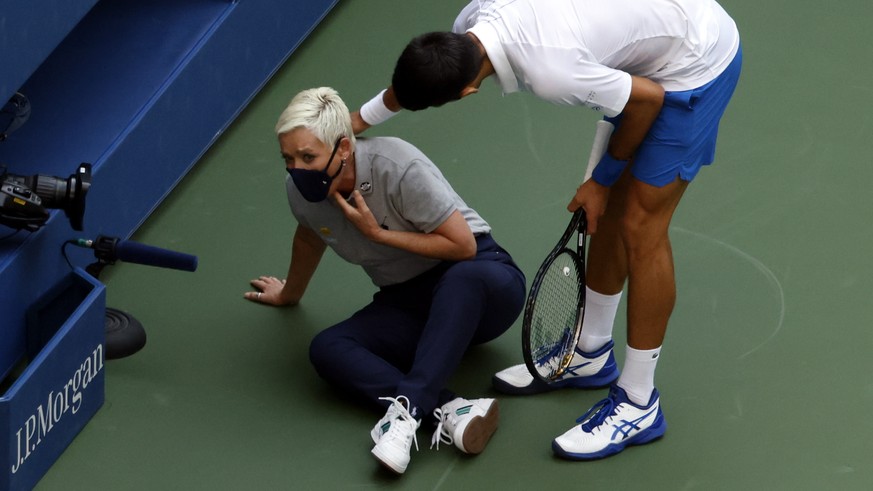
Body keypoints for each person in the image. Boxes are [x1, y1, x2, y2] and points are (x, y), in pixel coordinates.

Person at [350, 0, 742, 460]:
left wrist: (600, 181)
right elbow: (411, 85)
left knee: (641, 227)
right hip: (647, 40)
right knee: (613, 212)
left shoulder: (553, 72)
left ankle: (639, 402)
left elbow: (647, 101)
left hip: (694, 60)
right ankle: (591, 352)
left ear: (467, 93)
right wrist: (355, 122)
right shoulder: (469, 24)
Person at [244, 87, 526, 474]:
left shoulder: (397, 166)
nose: (297, 169)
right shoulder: (300, 191)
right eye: (288, 158)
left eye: (308, 156)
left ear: (343, 148)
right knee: (328, 348)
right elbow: (310, 236)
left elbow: (462, 247)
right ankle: (451, 408)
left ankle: (407, 414)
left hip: (483, 283)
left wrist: (379, 235)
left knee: (463, 280)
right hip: (408, 300)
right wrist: (289, 294)